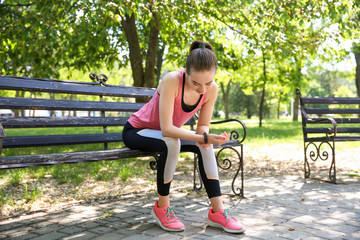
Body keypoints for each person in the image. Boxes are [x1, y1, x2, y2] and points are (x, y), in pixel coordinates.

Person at [122, 40, 245, 233]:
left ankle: (218, 212)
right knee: (172, 142)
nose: (202, 89)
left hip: (165, 135)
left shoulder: (212, 90)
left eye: (208, 82)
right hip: (137, 131)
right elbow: (167, 129)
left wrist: (206, 137)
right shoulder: (172, 80)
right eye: (196, 83)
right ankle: (162, 207)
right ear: (186, 72)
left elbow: (202, 125)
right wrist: (203, 138)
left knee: (205, 146)